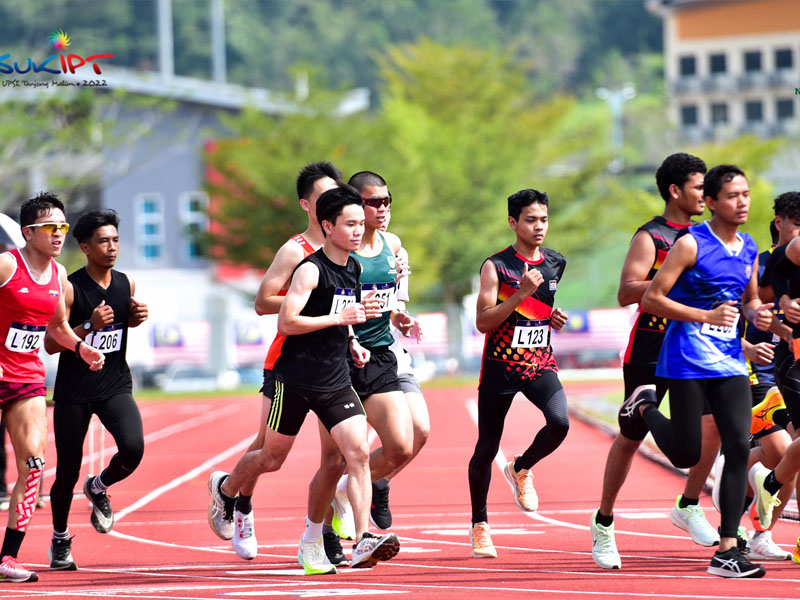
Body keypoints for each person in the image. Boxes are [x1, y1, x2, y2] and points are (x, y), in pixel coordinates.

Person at [208, 185, 400, 574]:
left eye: (360, 224)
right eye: (350, 224)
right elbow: (287, 321)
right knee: (271, 458)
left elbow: (344, 313)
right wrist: (338, 319)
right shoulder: (310, 269)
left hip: (336, 379)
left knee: (358, 453)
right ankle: (225, 489)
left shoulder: (354, 268)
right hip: (294, 380)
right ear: (327, 226)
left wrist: (352, 340)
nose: (358, 231)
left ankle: (362, 539)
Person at [628, 165, 773, 578]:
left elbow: (747, 301)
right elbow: (652, 299)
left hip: (728, 360)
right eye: (732, 196)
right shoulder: (691, 244)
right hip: (687, 359)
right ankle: (644, 406)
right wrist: (705, 314)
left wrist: (758, 314)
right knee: (686, 453)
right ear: (710, 202)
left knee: (738, 447)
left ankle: (727, 550)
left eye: (745, 194)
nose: (742, 202)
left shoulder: (748, 246)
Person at [590, 152, 722, 570]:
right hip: (651, 347)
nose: (706, 194)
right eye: (700, 187)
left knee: (714, 424)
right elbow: (626, 291)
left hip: (696, 347)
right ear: (675, 191)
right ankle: (604, 522)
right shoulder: (652, 236)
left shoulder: (708, 236)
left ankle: (689, 503)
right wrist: (673, 280)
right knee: (630, 437)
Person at [207, 161, 340, 562]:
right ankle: (237, 501)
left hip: (334, 362)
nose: (332, 203)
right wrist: (309, 299)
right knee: (269, 450)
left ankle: (324, 535)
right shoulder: (295, 250)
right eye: (322, 197)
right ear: (306, 205)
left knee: (336, 455)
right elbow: (263, 301)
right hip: (288, 361)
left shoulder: (348, 246)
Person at [0, 193, 105, 583]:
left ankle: (7, 557)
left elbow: (57, 327)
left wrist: (81, 347)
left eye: (62, 226)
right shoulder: (7, 265)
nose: (59, 233)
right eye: (50, 227)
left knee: (34, 465)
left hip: (27, 378)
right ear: (28, 233)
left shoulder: (60, 275)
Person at [43, 209, 148, 571]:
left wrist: (135, 318)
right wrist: (88, 325)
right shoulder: (70, 288)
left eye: (115, 240)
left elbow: (121, 327)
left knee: (133, 449)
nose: (112, 247)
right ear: (86, 247)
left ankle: (99, 486)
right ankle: (60, 540)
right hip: (74, 391)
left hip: (115, 385)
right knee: (66, 472)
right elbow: (51, 344)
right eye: (103, 241)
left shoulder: (126, 284)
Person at [468, 188, 569, 558]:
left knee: (560, 423)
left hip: (539, 361)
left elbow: (540, 308)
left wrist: (552, 318)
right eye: (530, 220)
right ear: (513, 222)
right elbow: (483, 322)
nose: (539, 226)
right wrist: (519, 294)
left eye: (544, 219)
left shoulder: (556, 262)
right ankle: (480, 525)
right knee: (486, 446)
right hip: (501, 367)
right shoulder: (496, 266)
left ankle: (521, 467)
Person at [323, 172, 417, 548]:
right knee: (338, 458)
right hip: (339, 361)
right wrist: (349, 335)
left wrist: (399, 315)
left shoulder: (392, 245)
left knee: (402, 446)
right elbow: (334, 301)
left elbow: (389, 299)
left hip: (379, 354)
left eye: (386, 201)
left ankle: (349, 490)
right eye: (373, 202)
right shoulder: (340, 252)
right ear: (354, 204)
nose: (382, 208)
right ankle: (322, 535)